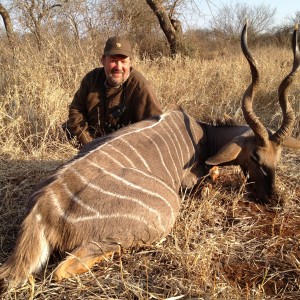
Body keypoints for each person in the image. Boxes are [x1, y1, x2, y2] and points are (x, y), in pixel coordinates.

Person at [64, 36, 163, 146]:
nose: (118, 67)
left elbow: (155, 125)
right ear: (103, 60)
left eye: (123, 61)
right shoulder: (92, 79)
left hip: (124, 146)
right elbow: (76, 110)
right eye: (113, 61)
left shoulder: (140, 86)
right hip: (90, 141)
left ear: (130, 63)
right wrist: (87, 142)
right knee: (66, 129)